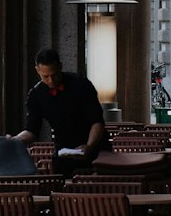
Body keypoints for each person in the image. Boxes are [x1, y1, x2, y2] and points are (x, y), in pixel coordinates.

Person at [11, 47, 110, 177]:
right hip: (64, 152)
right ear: (37, 71)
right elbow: (32, 130)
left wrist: (89, 146)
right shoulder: (36, 95)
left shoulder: (81, 85)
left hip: (96, 149)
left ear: (60, 66)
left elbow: (97, 121)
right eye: (45, 76)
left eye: (55, 74)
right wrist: (14, 141)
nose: (51, 81)